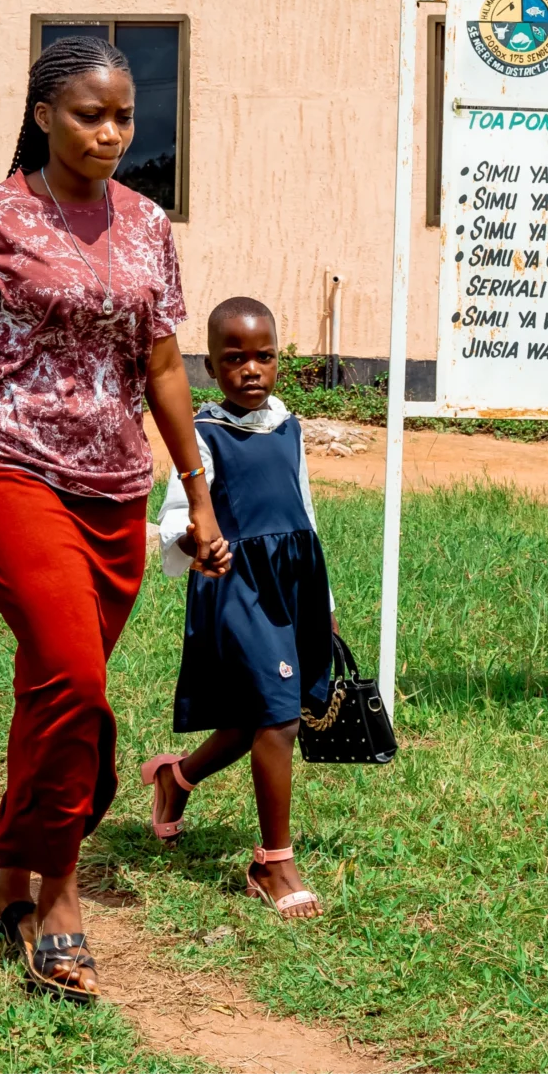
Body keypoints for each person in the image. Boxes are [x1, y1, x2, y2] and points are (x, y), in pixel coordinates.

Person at [0, 36, 231, 1003]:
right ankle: (60, 897)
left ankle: (8, 877)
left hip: (114, 487)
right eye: (89, 115)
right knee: (78, 677)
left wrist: (195, 489)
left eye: (123, 117)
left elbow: (161, 367)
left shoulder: (149, 224)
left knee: (53, 690)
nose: (110, 134)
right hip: (7, 470)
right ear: (43, 114)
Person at [141, 297, 335, 920]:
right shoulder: (203, 434)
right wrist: (198, 540)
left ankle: (177, 779)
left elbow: (304, 510)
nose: (251, 369)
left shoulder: (289, 426)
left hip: (293, 583)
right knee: (278, 719)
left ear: (279, 359)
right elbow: (173, 517)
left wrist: (323, 600)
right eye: (234, 359)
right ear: (209, 365)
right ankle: (273, 862)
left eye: (264, 356)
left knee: (264, 715)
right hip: (239, 588)